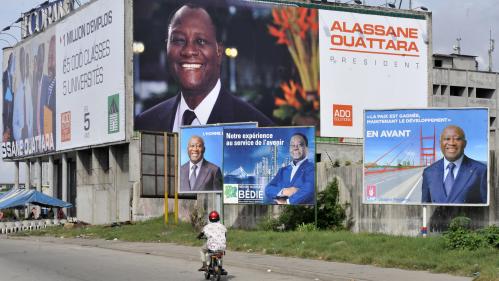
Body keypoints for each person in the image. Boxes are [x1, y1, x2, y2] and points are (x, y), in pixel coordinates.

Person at [134, 4, 273, 132]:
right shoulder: (145, 124)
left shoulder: (259, 129)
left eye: (200, 41)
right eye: (178, 40)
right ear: (167, 47)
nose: (188, 51)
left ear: (219, 51)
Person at [421, 125, 487, 204]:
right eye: (447, 139)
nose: (451, 143)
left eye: (457, 139)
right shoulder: (428, 172)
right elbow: (425, 209)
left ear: (465, 144)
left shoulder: (481, 171)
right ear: (440, 143)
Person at [264, 133, 315, 205]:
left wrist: (287, 202)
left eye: (300, 145)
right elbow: (268, 189)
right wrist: (283, 191)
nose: (295, 148)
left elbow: (309, 189)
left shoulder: (311, 168)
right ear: (289, 149)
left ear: (306, 149)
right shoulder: (282, 171)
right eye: (292, 145)